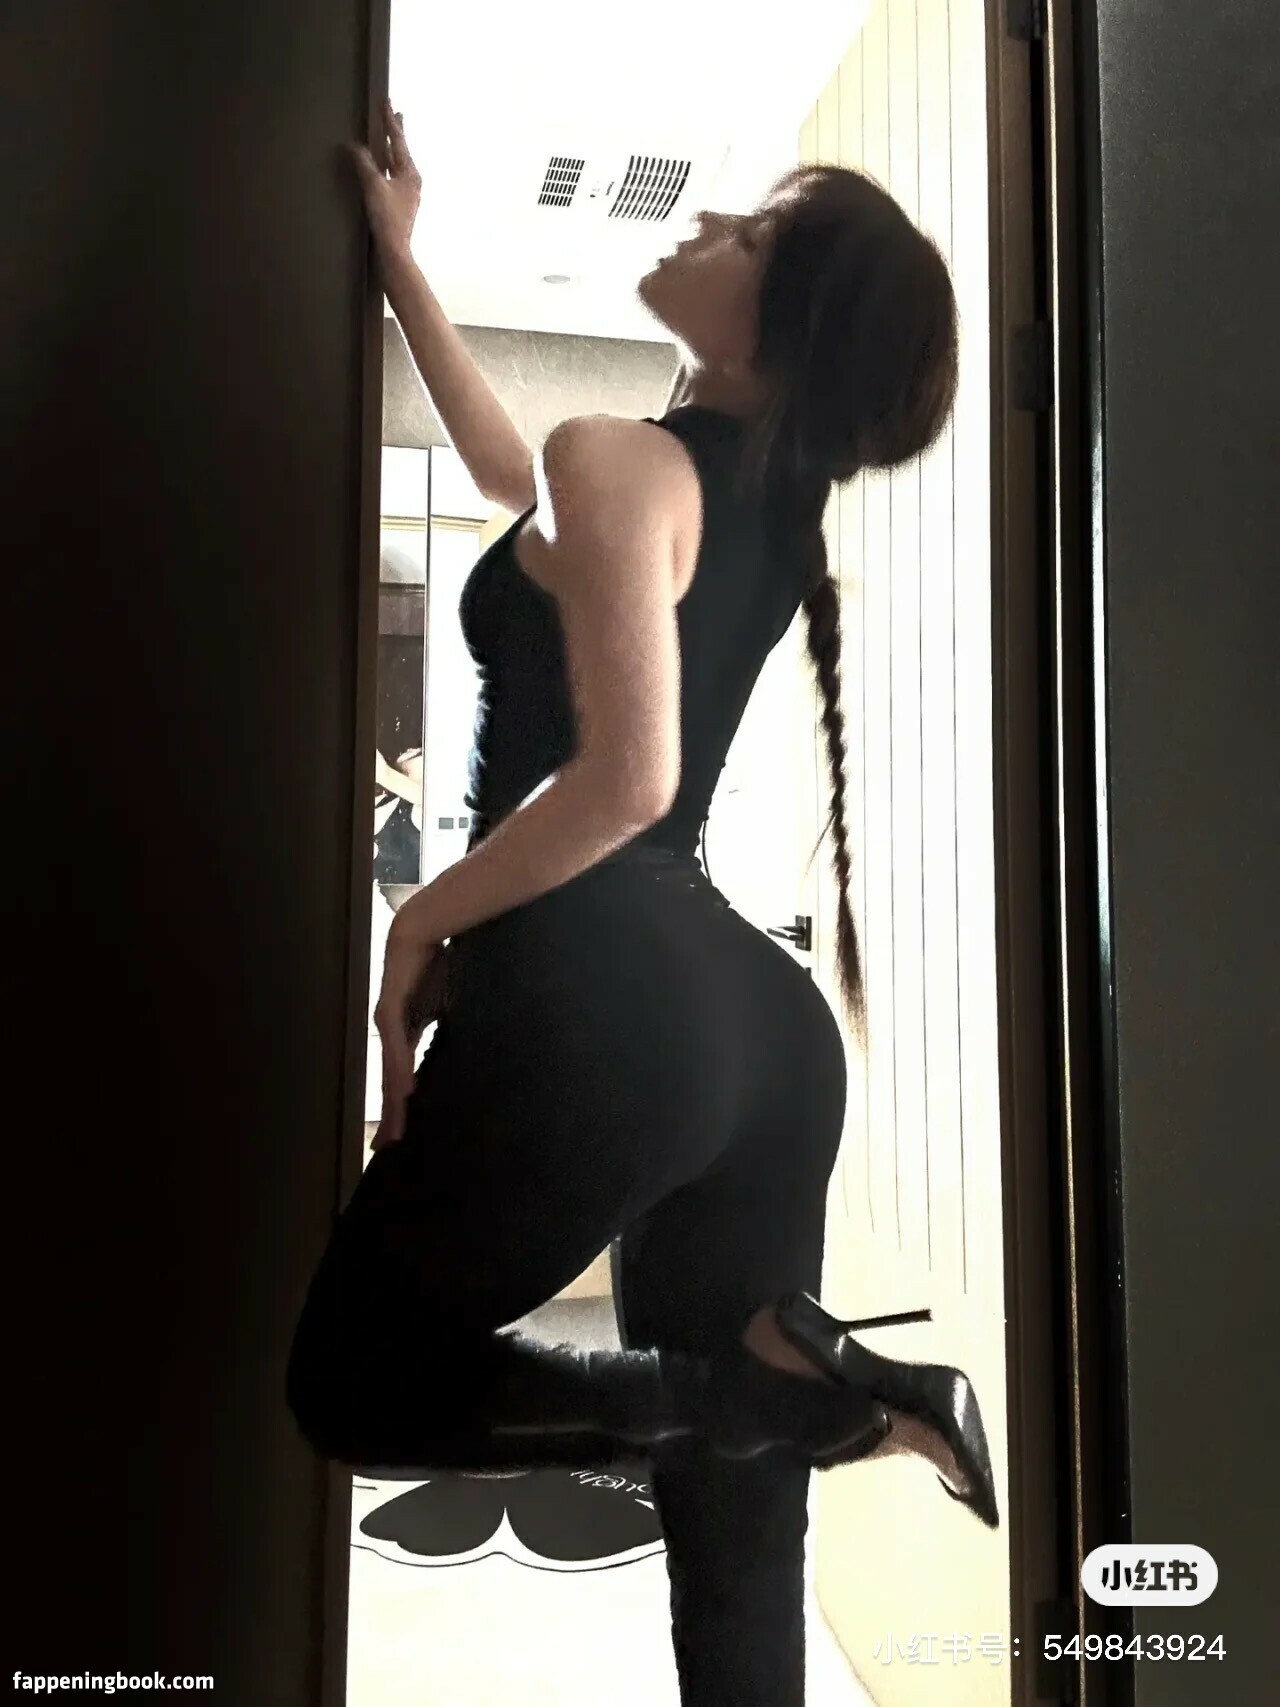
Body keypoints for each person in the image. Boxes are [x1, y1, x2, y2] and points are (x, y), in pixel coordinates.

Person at [287, 99, 998, 1706]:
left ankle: (784, 1403)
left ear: (776, 336)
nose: (706, 227)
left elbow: (626, 782)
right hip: (755, 1040)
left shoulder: (624, 467)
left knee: (356, 1382)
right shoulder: (701, 488)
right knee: (741, 1554)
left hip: (607, 998)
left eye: (753, 235)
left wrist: (424, 915)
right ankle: (800, 1392)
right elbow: (510, 469)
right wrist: (403, 263)